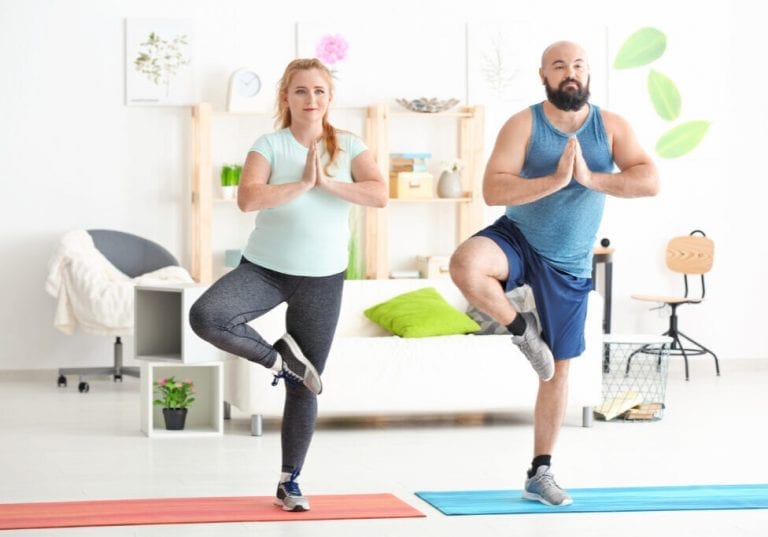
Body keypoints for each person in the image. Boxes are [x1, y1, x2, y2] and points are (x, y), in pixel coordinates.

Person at [449, 41, 659, 506]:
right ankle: (522, 331)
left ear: (588, 75)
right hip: (519, 238)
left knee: (557, 371)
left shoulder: (611, 127)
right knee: (466, 264)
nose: (571, 73)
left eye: (578, 66)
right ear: (543, 74)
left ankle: (539, 473)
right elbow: (491, 188)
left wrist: (590, 179)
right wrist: (554, 181)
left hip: (568, 264)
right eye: (559, 65)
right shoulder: (524, 124)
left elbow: (648, 180)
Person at [189, 58, 387, 512]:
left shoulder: (350, 145)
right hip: (264, 270)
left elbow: (377, 193)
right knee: (207, 316)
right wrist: (301, 184)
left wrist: (327, 183)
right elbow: (247, 198)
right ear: (286, 98)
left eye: (319, 91)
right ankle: (281, 361)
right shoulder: (270, 145)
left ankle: (289, 482)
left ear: (330, 98)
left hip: (323, 280)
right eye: (301, 91)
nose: (311, 99)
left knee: (307, 386)